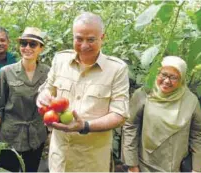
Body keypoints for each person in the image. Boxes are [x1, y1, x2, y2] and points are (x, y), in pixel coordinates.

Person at [36, 12, 130, 172]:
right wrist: (42, 96)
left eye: (91, 39)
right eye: (79, 39)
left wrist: (85, 126)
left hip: (91, 160)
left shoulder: (116, 69)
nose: (84, 45)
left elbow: (119, 115)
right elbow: (47, 88)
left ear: (102, 37)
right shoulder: (60, 60)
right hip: (60, 158)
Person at [122, 56, 201, 172]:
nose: (167, 81)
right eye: (164, 75)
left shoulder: (190, 101)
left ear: (181, 79)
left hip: (177, 166)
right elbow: (130, 127)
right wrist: (132, 164)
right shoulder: (144, 94)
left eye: (173, 77)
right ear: (157, 73)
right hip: (145, 165)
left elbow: (197, 135)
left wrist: (196, 169)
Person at [0, 27, 49, 172]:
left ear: (41, 48)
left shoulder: (48, 72)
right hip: (10, 135)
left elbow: (51, 106)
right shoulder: (6, 72)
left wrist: (50, 134)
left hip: (36, 135)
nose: (27, 47)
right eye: (23, 43)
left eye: (33, 44)